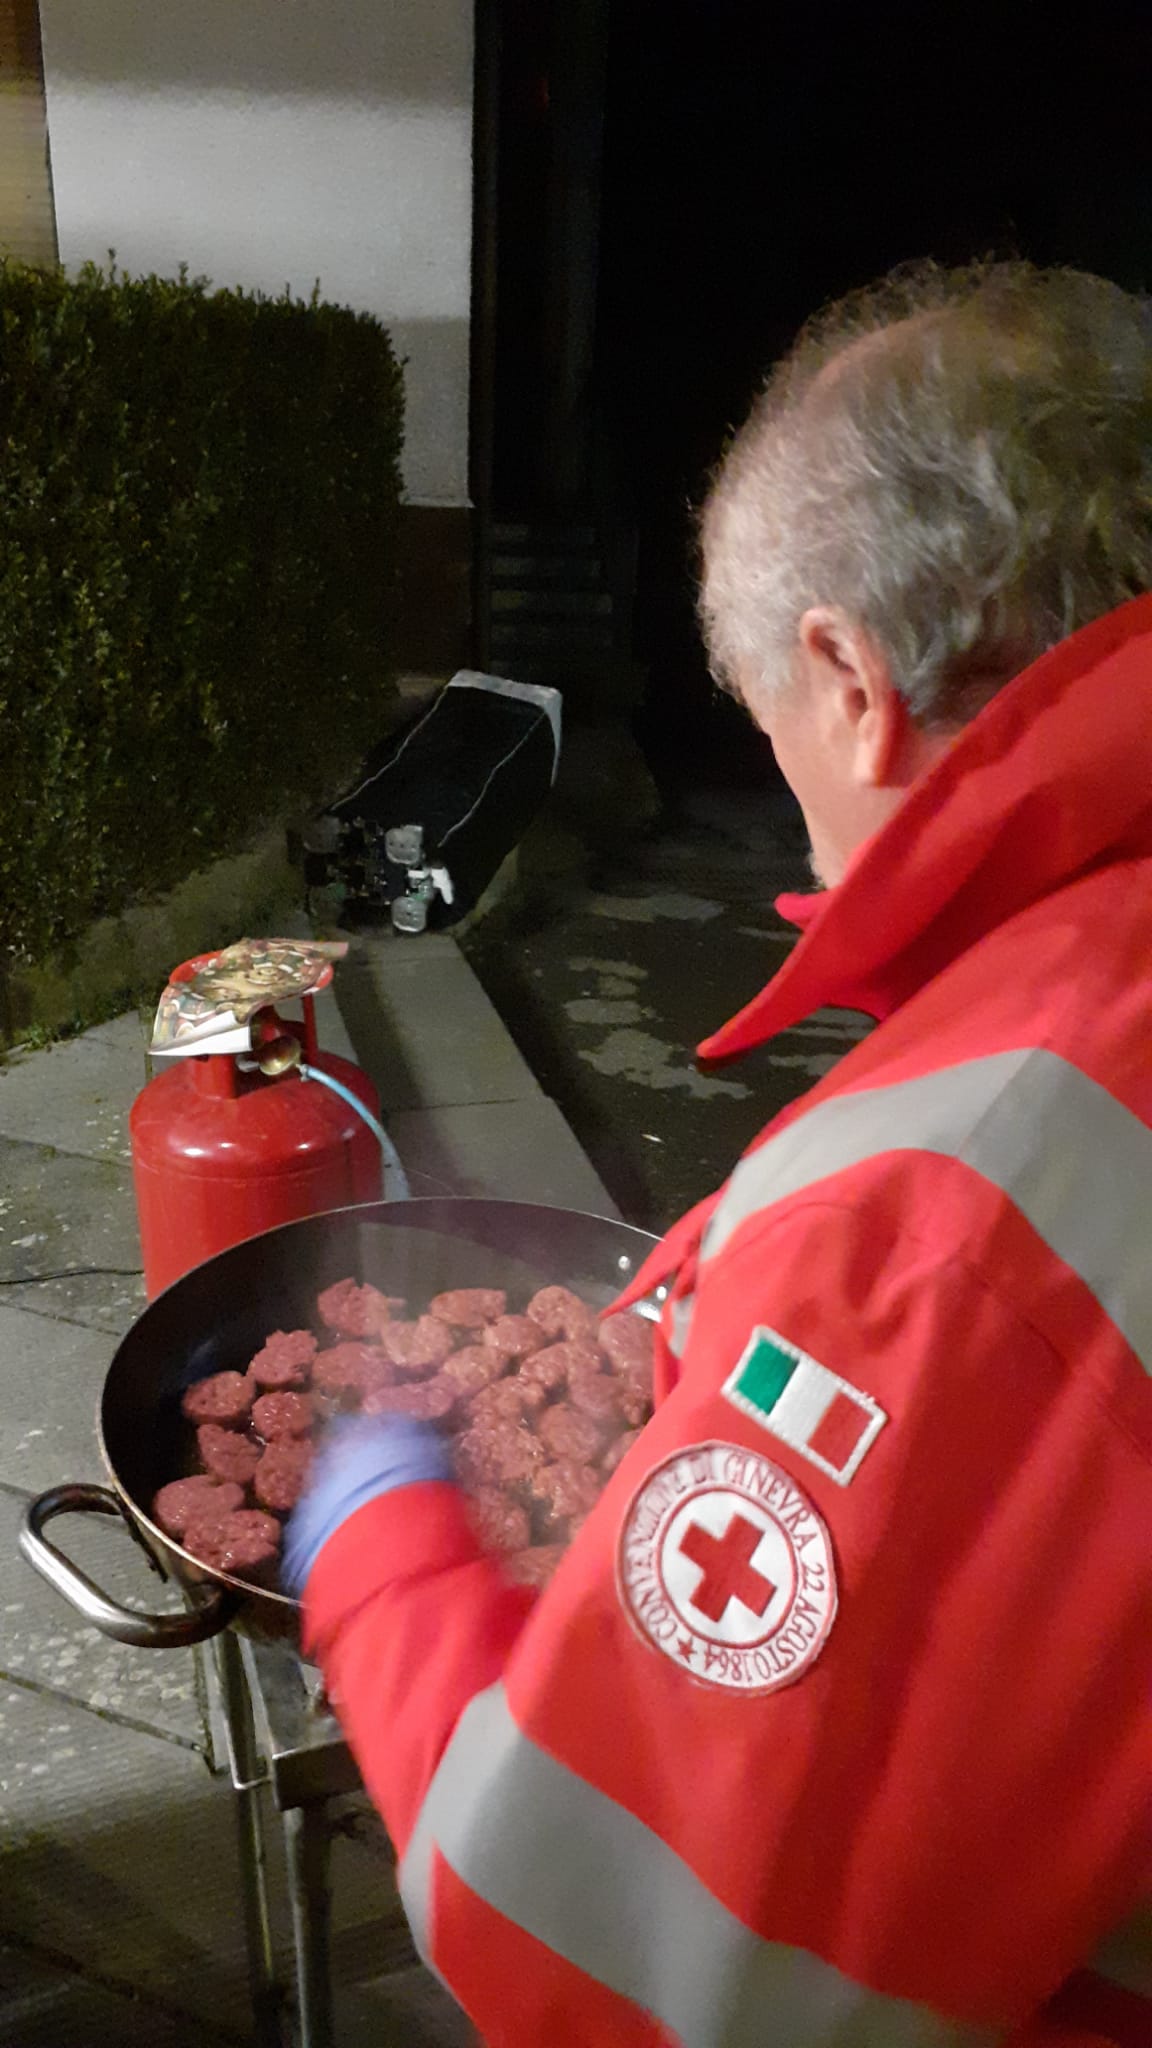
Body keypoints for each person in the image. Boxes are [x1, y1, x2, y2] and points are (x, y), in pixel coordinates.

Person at [286, 261, 1152, 2047]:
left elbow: (616, 1953)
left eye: (772, 738)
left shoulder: (944, 1214)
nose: (808, 844)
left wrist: (379, 1549)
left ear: (847, 679)